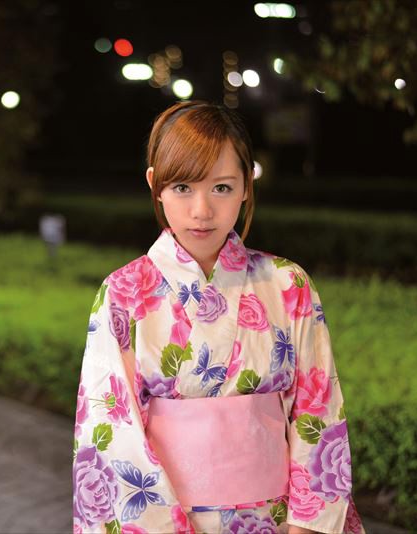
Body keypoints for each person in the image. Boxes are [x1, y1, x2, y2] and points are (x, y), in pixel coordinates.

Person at [72, 100, 365, 534]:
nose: (202, 210)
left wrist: (307, 525)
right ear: (155, 185)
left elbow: (318, 407)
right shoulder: (122, 293)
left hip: (278, 519)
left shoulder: (288, 283)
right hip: (166, 517)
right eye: (182, 187)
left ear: (247, 184)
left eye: (222, 187)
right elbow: (109, 429)